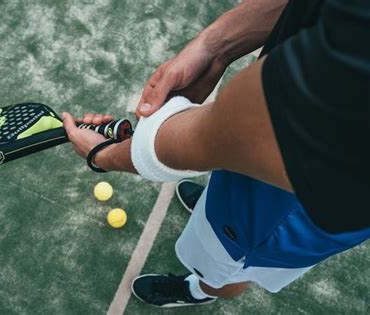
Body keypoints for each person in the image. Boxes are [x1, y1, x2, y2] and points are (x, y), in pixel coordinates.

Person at [62, 0, 370, 308]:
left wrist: (104, 155)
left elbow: (229, 137)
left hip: (286, 211)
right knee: (225, 193)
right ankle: (212, 208)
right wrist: (213, 47)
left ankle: (200, 289)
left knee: (228, 268)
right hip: (273, 158)